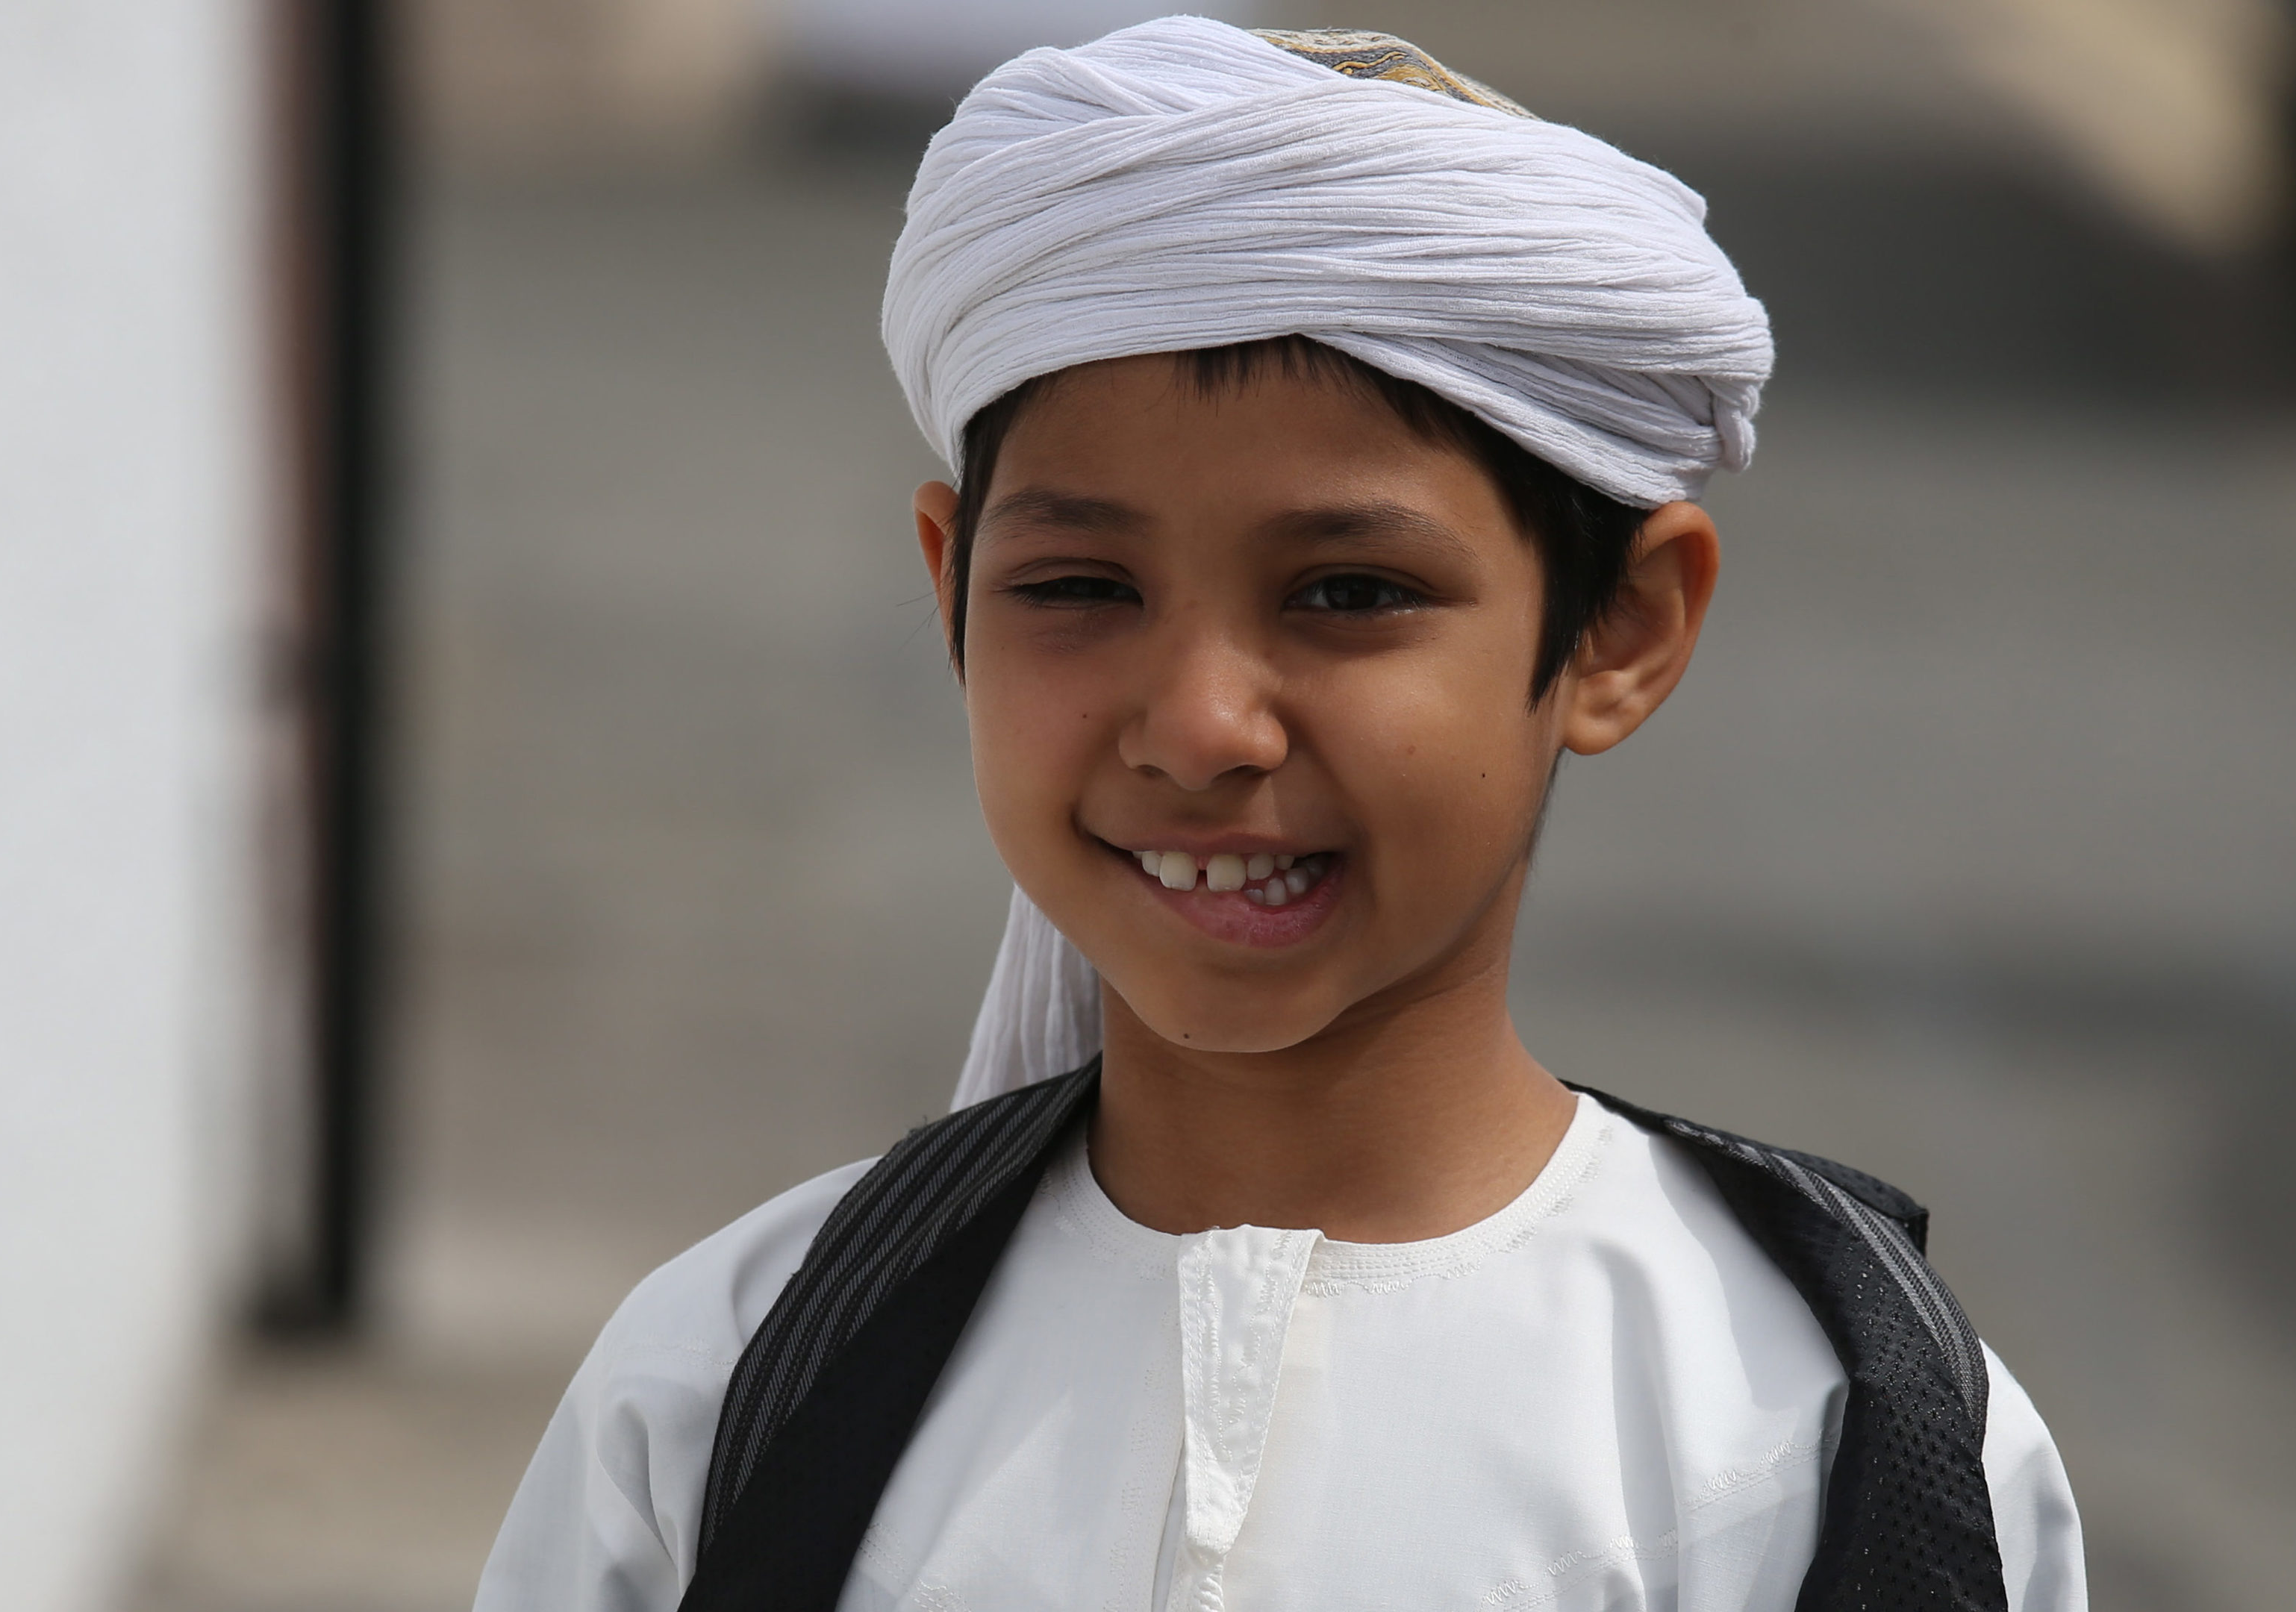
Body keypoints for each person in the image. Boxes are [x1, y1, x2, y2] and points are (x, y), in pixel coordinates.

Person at [473, 19, 2088, 1612]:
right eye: (1080, 588)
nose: (1198, 726)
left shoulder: (1810, 1437)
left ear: (1620, 630)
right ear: (950, 588)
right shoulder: (728, 1389)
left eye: (1348, 592)